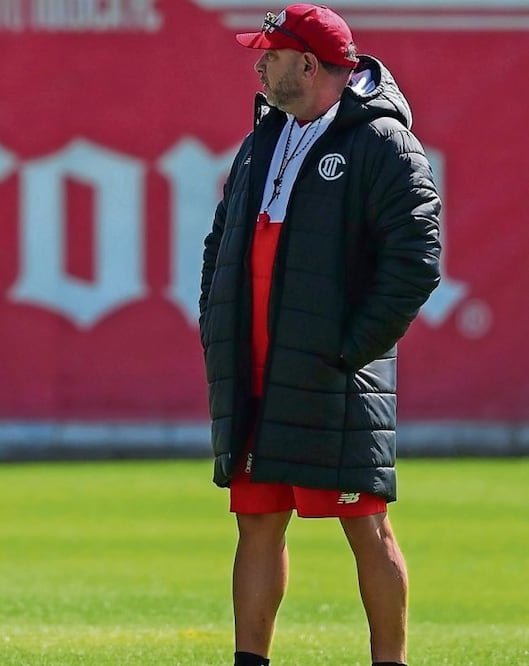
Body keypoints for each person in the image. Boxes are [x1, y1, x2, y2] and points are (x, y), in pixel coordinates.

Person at [198, 4, 441, 666]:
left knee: (365, 524)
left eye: (271, 55)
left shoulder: (383, 143)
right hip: (255, 371)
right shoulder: (263, 139)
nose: (260, 66)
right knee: (256, 521)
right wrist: (216, 323)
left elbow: (415, 262)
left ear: (307, 64)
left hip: (333, 375)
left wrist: (347, 351)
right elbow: (221, 242)